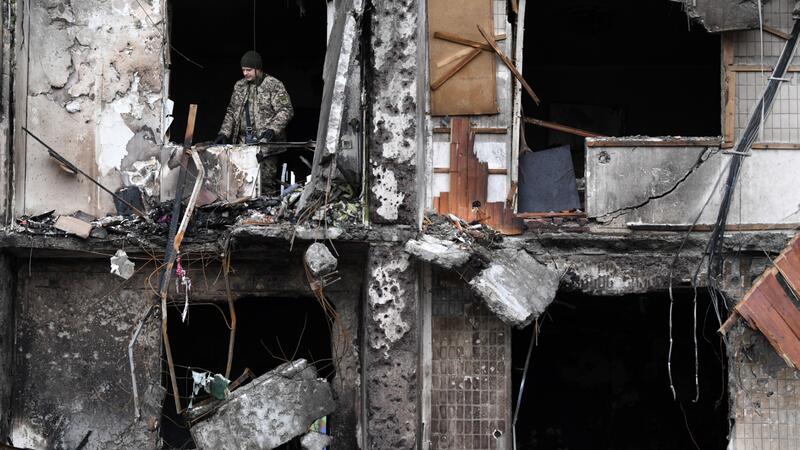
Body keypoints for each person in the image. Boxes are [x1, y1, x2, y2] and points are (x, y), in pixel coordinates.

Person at [214, 50, 293, 194]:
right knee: (241, 185)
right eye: (243, 70)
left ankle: (265, 208)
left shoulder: (274, 85)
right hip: (243, 145)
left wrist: (273, 129)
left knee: (265, 186)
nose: (245, 73)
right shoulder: (239, 86)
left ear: (258, 68)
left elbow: (286, 110)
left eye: (249, 70)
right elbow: (231, 112)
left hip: (266, 146)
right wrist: (224, 133)